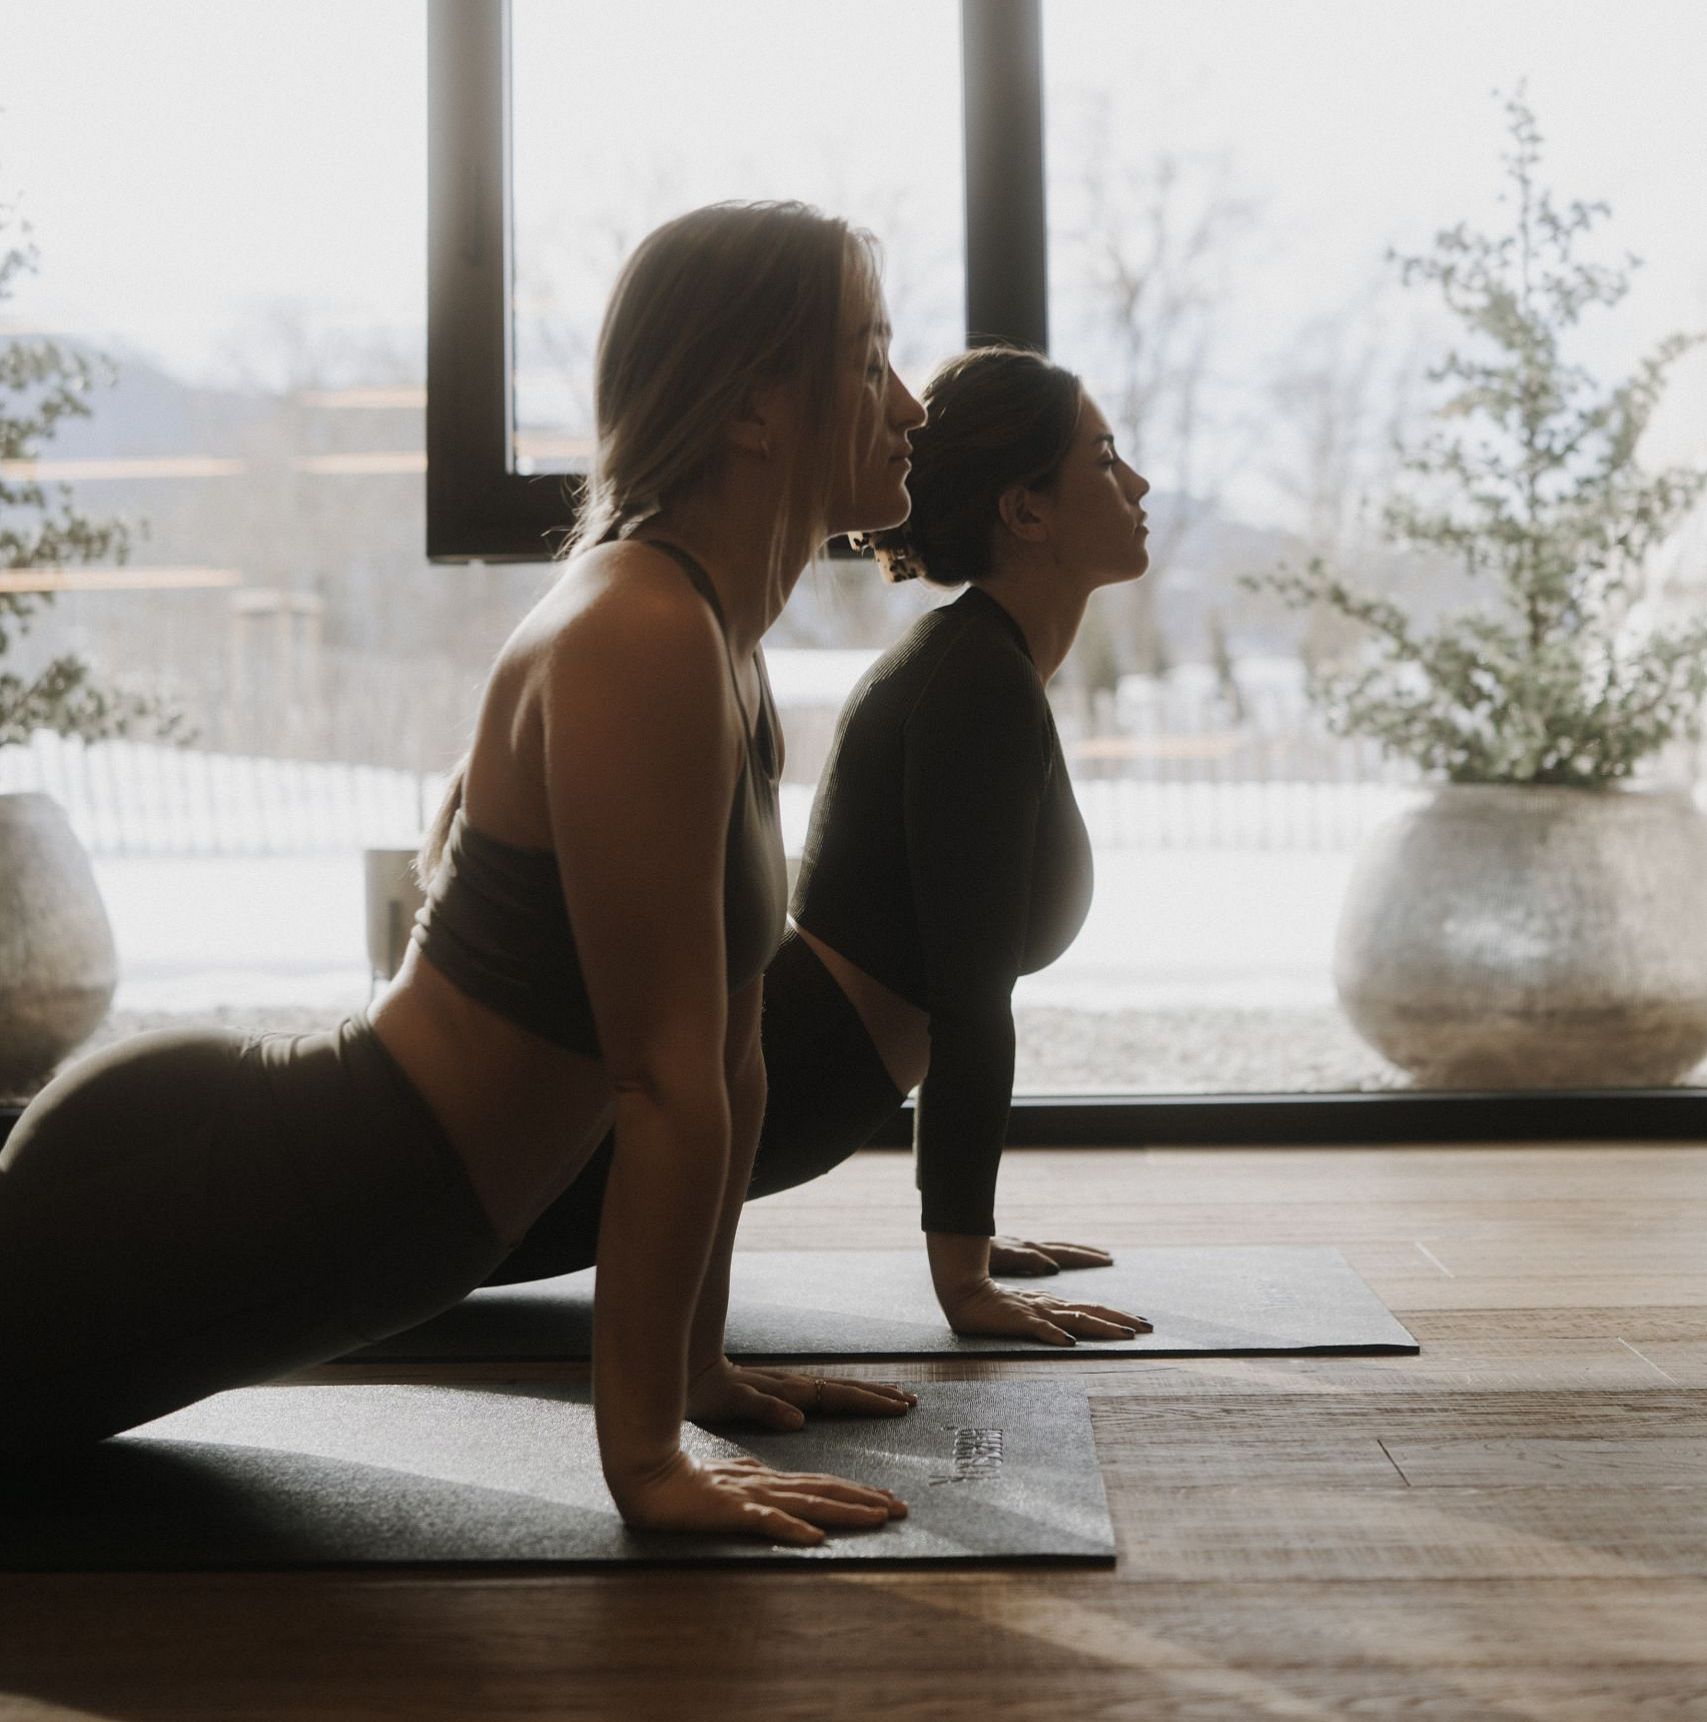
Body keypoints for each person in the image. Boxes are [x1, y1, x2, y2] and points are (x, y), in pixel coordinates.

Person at [0, 201, 928, 1548]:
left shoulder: (718, 640)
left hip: (359, 1215)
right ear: (749, 405)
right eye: (865, 359)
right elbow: (659, 1084)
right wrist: (648, 1460)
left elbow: (731, 1061)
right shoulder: (638, 629)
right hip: (230, 1186)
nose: (905, 405)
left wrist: (696, 1370)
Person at [480, 345, 1155, 1379]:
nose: (1139, 484)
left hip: (798, 1090)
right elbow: (971, 999)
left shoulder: (980, 665)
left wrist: (970, 1234)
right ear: (1027, 511)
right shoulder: (974, 684)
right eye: (1106, 461)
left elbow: (948, 982)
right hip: (768, 1094)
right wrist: (964, 1275)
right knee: (411, 1261)